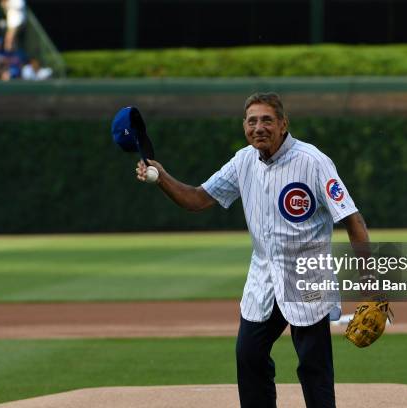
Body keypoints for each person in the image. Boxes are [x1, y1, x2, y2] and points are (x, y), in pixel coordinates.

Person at [135, 92, 372, 408]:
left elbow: (352, 220)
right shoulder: (243, 161)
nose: (259, 127)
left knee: (314, 367)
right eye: (252, 121)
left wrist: (372, 286)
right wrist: (161, 177)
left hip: (308, 278)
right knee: (248, 354)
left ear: (284, 124)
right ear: (244, 126)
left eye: (267, 120)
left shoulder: (313, 161)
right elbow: (196, 199)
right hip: (264, 278)